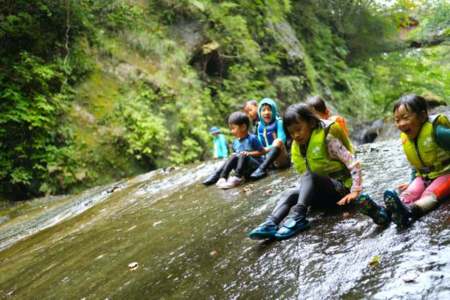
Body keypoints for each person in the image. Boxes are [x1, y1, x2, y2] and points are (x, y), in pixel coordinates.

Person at [248, 103, 362, 240]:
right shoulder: (298, 147)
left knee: (309, 176)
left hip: (340, 191)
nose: (296, 135)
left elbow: (353, 163)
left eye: (299, 129)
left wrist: (355, 191)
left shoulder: (328, 139)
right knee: (290, 193)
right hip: (321, 194)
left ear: (311, 123)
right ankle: (271, 223)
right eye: (291, 132)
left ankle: (298, 217)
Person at [356, 94, 450, 227]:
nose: (400, 124)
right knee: (409, 193)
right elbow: (415, 163)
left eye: (405, 118)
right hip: (423, 177)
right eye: (397, 120)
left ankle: (410, 212)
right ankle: (384, 213)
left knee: (430, 194)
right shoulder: (407, 137)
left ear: (422, 116)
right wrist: (412, 180)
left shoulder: (437, 131)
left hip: (445, 174)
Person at [202, 112, 265, 189]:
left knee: (243, 154)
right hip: (243, 170)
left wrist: (248, 153)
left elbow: (262, 152)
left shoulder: (252, 138)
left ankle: (237, 177)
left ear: (243, 127)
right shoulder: (235, 142)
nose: (231, 131)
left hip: (255, 168)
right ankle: (223, 177)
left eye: (233, 128)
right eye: (230, 129)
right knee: (234, 155)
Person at [250, 98, 290, 180]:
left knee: (277, 141)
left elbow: (282, 140)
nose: (266, 112)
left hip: (280, 159)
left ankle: (261, 169)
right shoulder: (259, 126)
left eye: (269, 109)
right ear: (260, 113)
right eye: (263, 110)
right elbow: (259, 146)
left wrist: (265, 150)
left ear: (274, 111)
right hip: (266, 160)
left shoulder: (279, 122)